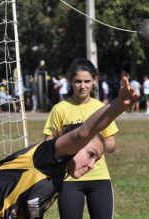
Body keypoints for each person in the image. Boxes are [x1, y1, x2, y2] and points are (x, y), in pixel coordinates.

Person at [0, 73, 138, 219]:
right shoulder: (46, 156)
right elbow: (83, 132)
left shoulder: (57, 177)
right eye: (90, 154)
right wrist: (119, 105)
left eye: (97, 159)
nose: (91, 164)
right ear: (74, 145)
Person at [43, 58, 118, 219]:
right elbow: (48, 145)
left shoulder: (102, 109)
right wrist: (67, 151)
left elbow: (112, 144)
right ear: (70, 80)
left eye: (87, 81)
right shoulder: (59, 109)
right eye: (78, 81)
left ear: (95, 80)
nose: (82, 86)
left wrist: (91, 148)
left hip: (100, 178)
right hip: (68, 180)